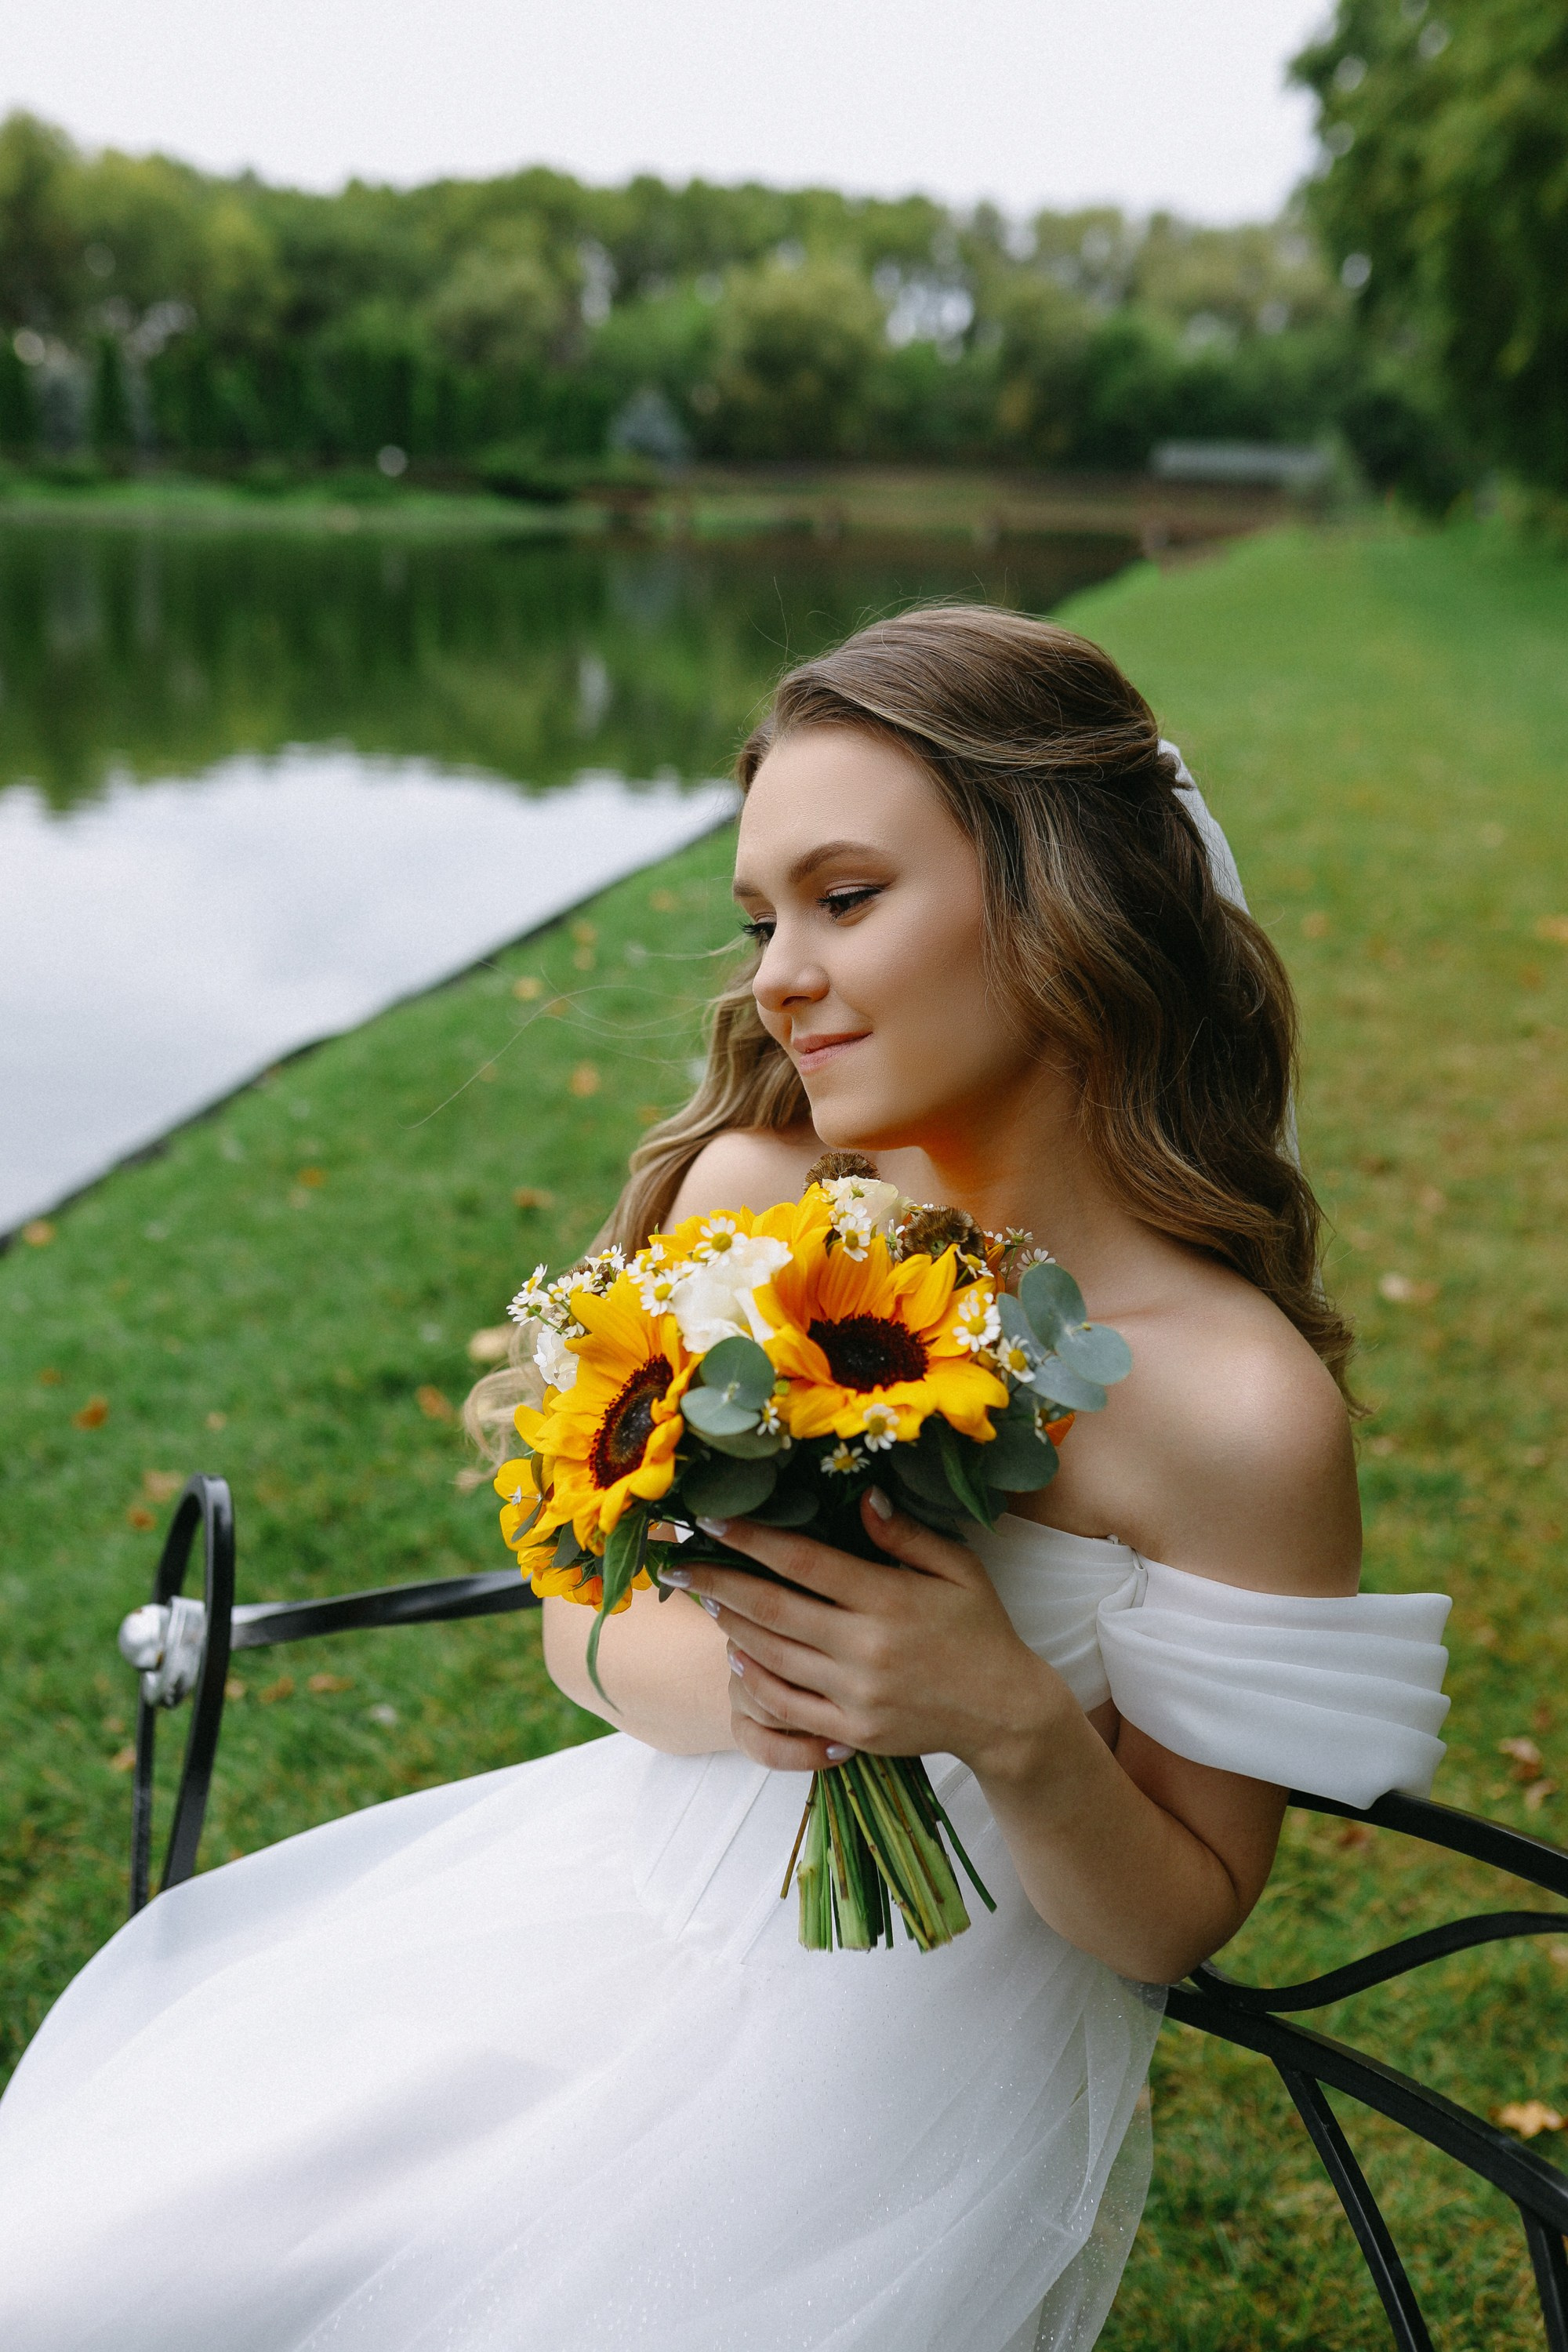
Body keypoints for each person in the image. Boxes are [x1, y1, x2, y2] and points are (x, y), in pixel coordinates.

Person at [0, 606, 1451, 2351]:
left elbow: (1174, 1923)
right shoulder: (752, 1207)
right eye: (761, 917)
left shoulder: (1236, 1411)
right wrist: (744, 1687)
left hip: (888, 2090)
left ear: (1067, 903)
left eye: (845, 900)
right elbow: (576, 1626)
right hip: (602, 1913)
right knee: (85, 2274)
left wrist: (1007, 1721)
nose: (774, 972)